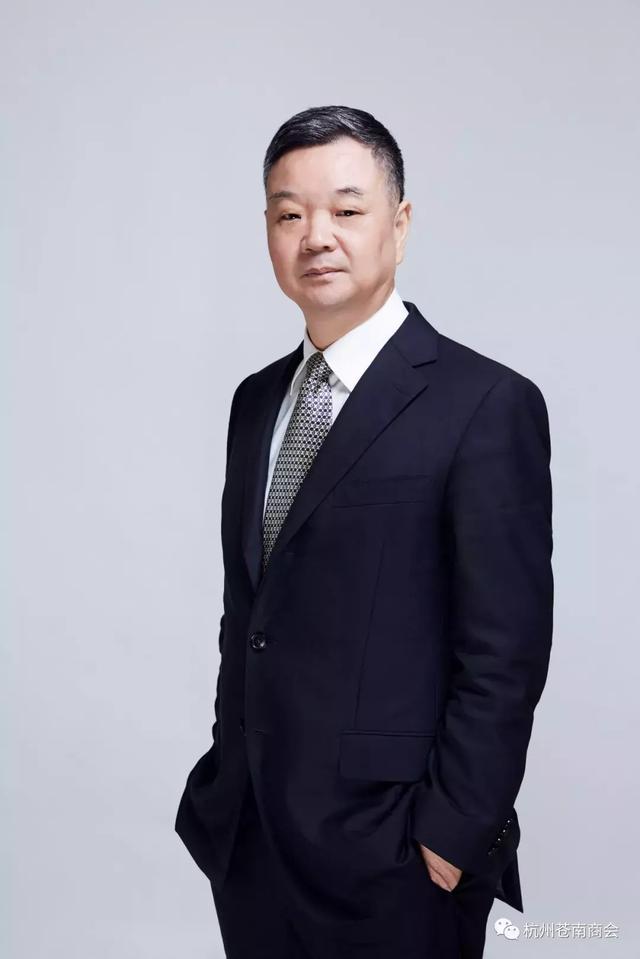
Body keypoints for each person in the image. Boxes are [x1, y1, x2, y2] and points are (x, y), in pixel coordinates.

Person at [175, 104, 554, 958]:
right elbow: (251, 613)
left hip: (397, 859)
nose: (316, 236)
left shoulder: (484, 404)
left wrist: (451, 835)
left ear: (400, 223)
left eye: (346, 209)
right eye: (289, 214)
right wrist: (224, 780)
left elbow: (505, 651)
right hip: (251, 840)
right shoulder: (255, 402)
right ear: (268, 230)